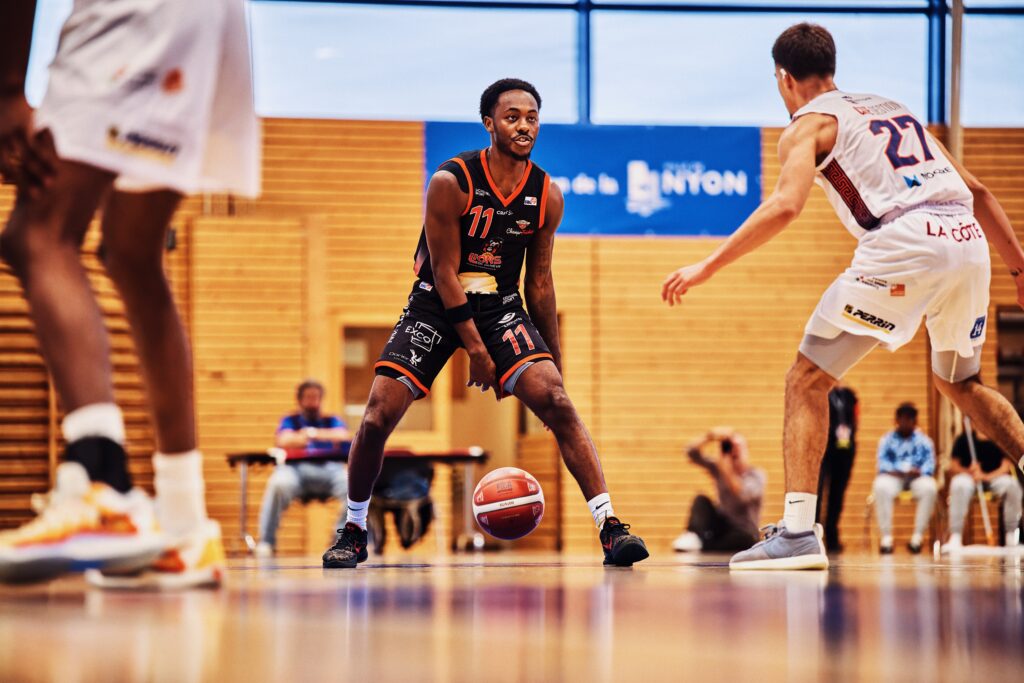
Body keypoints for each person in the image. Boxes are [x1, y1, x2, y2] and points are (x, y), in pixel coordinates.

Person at [661, 22, 1024, 570]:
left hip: (906, 240)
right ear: (831, 67)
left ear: (783, 78)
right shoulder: (893, 110)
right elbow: (977, 191)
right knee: (961, 383)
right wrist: (1019, 270)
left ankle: (798, 534)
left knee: (807, 379)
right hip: (966, 239)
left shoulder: (808, 124)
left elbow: (786, 205)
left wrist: (706, 266)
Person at [322, 78, 648, 569]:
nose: (523, 126)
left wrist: (553, 367)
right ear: (489, 124)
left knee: (559, 403)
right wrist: (477, 350)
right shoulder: (451, 182)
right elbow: (444, 272)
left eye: (532, 117)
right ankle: (354, 528)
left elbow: (540, 283)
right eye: (512, 117)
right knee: (375, 418)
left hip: (500, 305)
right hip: (436, 302)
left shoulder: (546, 195)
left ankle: (610, 528)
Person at [0, 0, 259, 587]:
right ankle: (184, 525)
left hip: (136, 12)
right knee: (132, 257)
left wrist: (9, 88)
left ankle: (100, 483)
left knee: (37, 234)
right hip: (213, 22)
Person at [255, 380, 351, 558]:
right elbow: (283, 440)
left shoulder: (332, 420)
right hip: (294, 470)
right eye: (308, 397)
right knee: (278, 484)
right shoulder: (289, 420)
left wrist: (308, 434)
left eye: (316, 397)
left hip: (329, 469)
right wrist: (324, 437)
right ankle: (267, 541)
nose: (312, 402)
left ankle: (341, 541)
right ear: (300, 400)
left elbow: (343, 436)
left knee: (354, 487)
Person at [673, 428, 765, 553]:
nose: (734, 451)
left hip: (743, 530)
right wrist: (710, 436)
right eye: (730, 447)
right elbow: (691, 453)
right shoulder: (720, 468)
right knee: (701, 500)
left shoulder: (756, 475)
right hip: (722, 526)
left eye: (738, 447)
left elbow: (742, 496)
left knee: (744, 539)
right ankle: (694, 535)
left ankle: (705, 546)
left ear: (746, 450)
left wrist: (727, 469)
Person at [871, 403, 937, 554]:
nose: (906, 422)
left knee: (930, 487)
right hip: (894, 477)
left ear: (915, 421)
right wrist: (898, 471)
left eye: (909, 419)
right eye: (903, 419)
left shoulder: (925, 441)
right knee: (880, 486)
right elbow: (882, 464)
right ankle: (886, 539)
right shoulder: (887, 440)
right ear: (897, 420)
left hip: (917, 478)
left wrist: (918, 471)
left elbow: (930, 465)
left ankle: (917, 539)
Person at [945, 428, 1022, 551]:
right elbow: (953, 466)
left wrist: (985, 476)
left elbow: (1006, 466)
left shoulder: (999, 439)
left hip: (994, 478)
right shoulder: (964, 439)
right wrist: (968, 471)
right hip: (970, 479)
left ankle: (1011, 537)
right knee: (958, 483)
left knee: (1012, 486)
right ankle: (955, 536)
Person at [817, 384, 858, 552]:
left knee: (837, 495)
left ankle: (832, 538)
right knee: (818, 492)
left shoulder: (849, 395)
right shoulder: (821, 392)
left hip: (844, 450)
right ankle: (814, 535)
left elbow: (854, 419)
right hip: (824, 449)